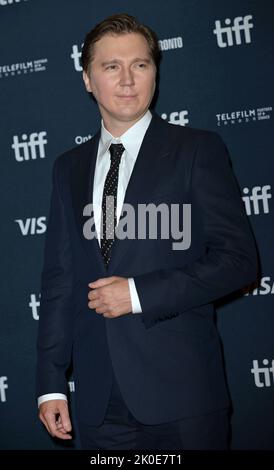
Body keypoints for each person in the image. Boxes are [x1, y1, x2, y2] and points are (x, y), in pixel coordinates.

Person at [36, 13, 258, 450]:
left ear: (155, 72)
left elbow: (239, 261)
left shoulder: (197, 150)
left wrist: (138, 294)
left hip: (183, 394)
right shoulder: (68, 167)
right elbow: (59, 281)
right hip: (98, 406)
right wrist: (51, 383)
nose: (127, 80)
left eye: (140, 65)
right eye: (111, 66)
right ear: (87, 79)